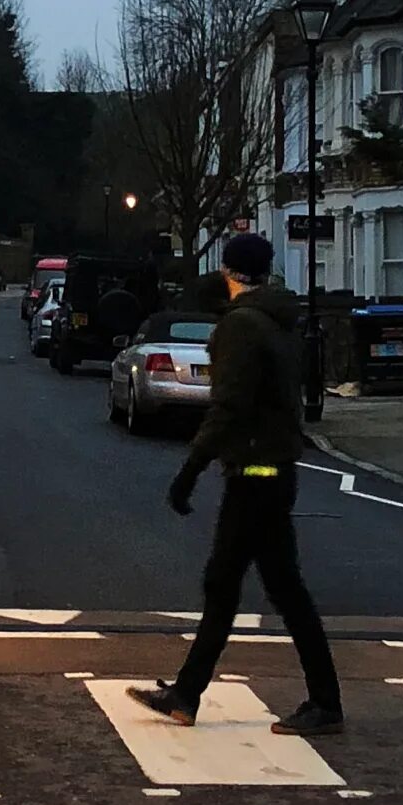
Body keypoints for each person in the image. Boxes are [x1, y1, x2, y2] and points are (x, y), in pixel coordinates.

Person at [130, 231, 342, 736]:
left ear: (228, 271)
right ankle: (190, 692)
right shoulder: (281, 322)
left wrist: (190, 470)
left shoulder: (241, 327)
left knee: (240, 586)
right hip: (274, 469)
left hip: (253, 472)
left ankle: (321, 703)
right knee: (259, 587)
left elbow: (228, 407)